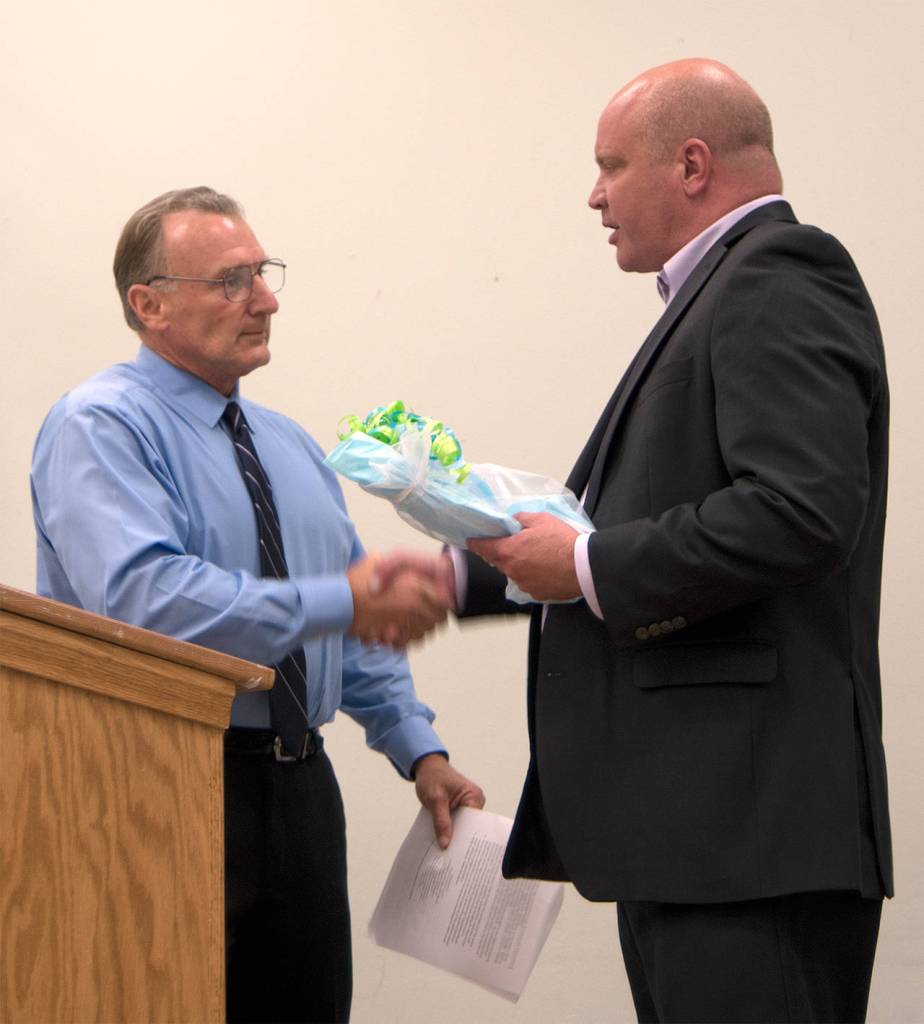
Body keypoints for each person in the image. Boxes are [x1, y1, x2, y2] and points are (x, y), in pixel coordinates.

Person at [448, 59, 891, 1022]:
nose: (594, 194)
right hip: (703, 842)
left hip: (748, 842)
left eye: (610, 164)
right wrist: (478, 566)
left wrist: (585, 564)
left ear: (692, 164)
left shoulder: (777, 274)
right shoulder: (722, 293)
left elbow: (802, 510)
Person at [30, 186, 484, 1024]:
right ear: (149, 303)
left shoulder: (289, 445)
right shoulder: (100, 427)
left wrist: (418, 750)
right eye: (233, 280)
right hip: (157, 785)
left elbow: (348, 624)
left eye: (264, 274)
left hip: (300, 790)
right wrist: (336, 598)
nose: (266, 299)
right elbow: (147, 603)